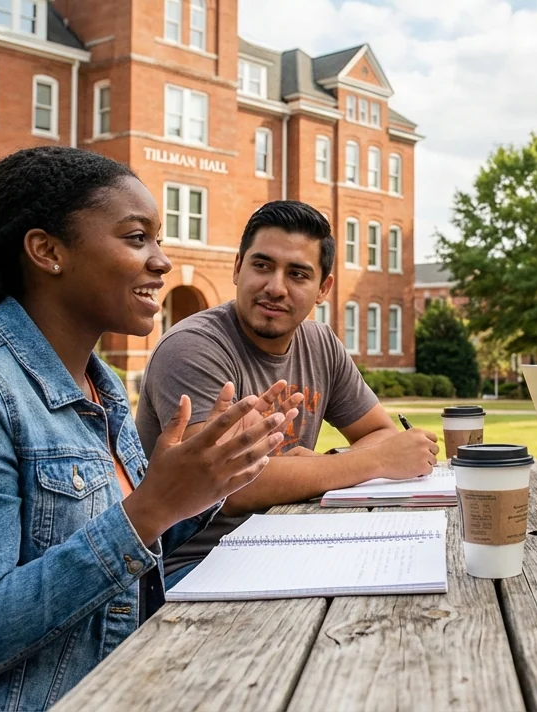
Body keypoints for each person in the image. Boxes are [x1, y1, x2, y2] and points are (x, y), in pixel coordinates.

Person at [0, 147, 301, 710]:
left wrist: (220, 472)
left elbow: (131, 544)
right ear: (48, 251)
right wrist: (153, 506)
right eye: (137, 238)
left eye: (157, 240)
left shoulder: (99, 384)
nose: (161, 262)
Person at [136, 200, 439, 581]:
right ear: (237, 268)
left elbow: (377, 431)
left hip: (291, 539)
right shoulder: (193, 347)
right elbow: (227, 487)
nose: (275, 287)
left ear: (322, 289)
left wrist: (321, 462)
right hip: (196, 563)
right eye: (262, 266)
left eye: (297, 274)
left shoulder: (320, 343)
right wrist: (375, 461)